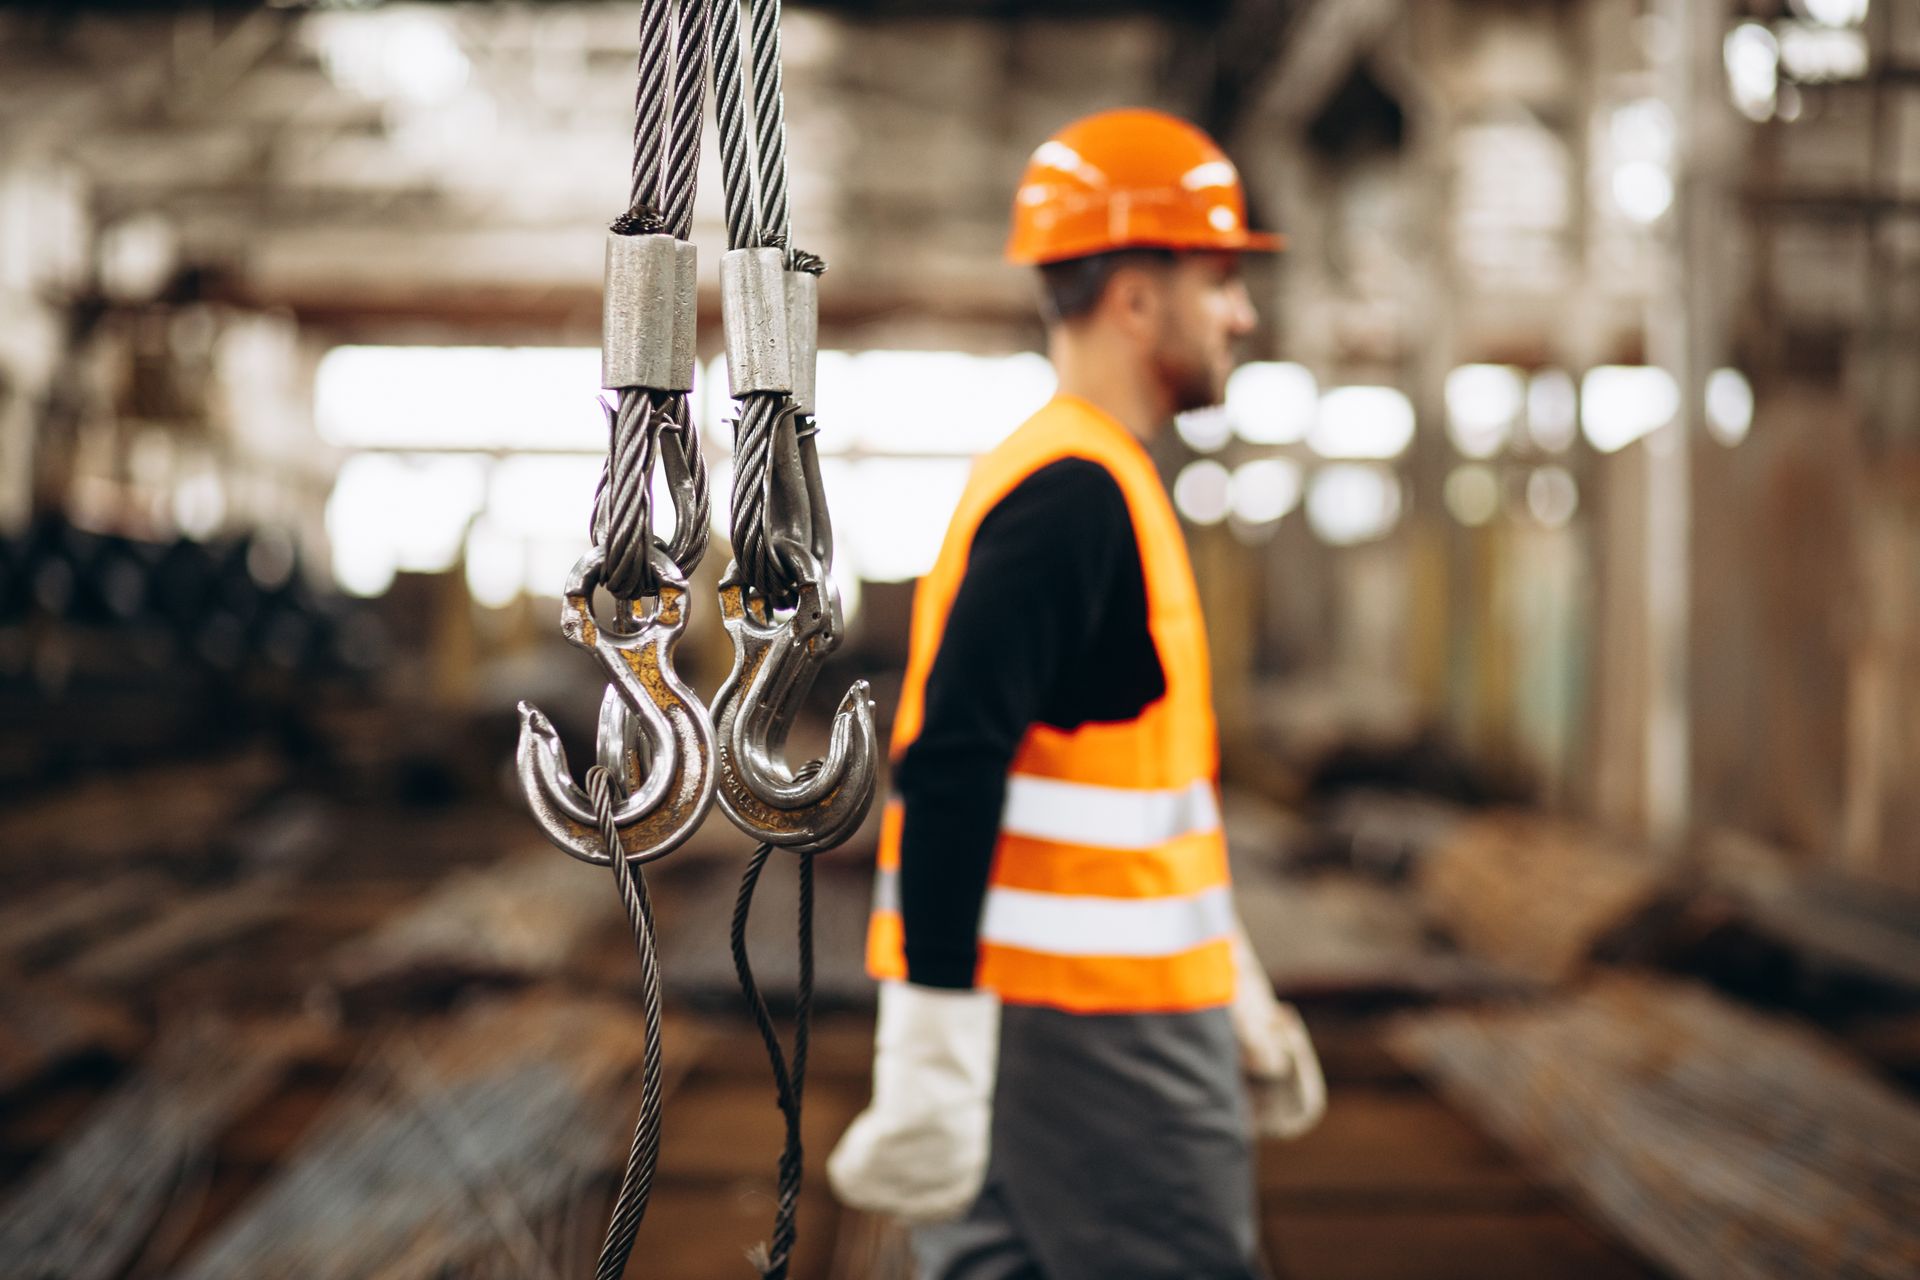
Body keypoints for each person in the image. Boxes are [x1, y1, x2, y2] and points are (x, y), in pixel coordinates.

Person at [826, 108, 1326, 1280]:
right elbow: (952, 760)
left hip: (1066, 1013)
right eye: (1219, 279)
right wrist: (936, 1047)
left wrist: (1232, 978)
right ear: (1137, 295)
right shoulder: (1074, 496)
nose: (1244, 314)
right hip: (1102, 1030)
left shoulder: (1087, 479)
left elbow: (1122, 794)